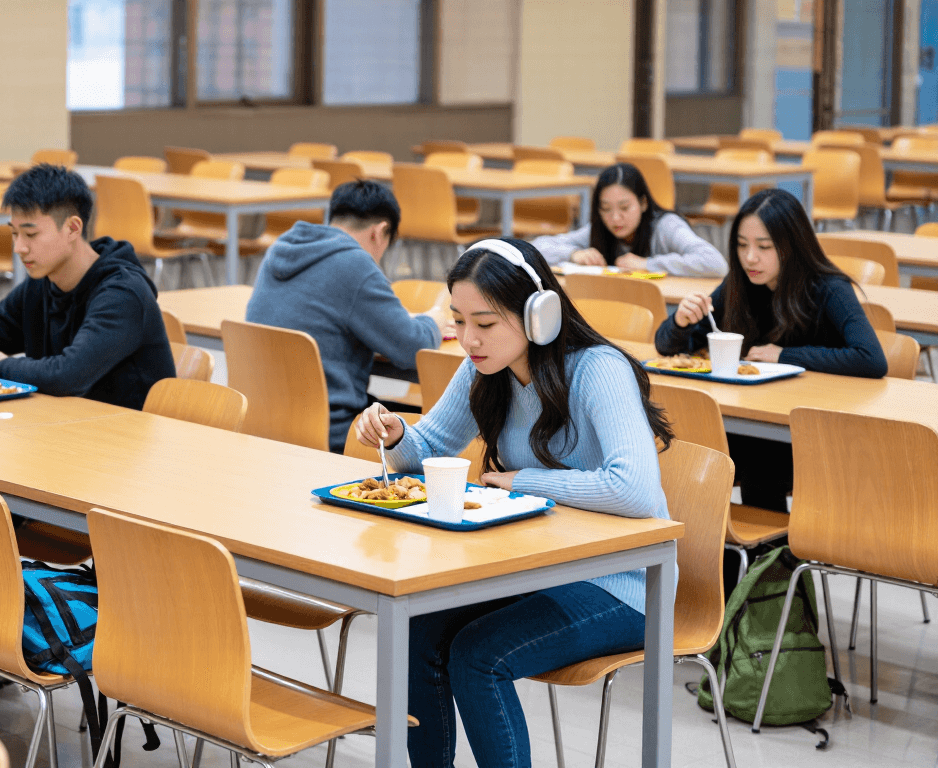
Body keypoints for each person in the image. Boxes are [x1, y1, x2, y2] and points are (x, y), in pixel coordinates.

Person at [352, 238, 675, 768]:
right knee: (417, 630)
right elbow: (430, 445)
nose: (468, 339)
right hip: (540, 568)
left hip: (627, 584)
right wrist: (396, 434)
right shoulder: (485, 366)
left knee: (479, 656)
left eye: (485, 323)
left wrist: (525, 482)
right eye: (459, 321)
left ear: (537, 314)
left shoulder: (598, 369)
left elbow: (634, 489)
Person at [655, 188, 886, 512]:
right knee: (685, 446)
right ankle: (713, 540)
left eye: (764, 247)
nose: (750, 257)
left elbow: (871, 359)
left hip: (818, 432)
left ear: (792, 245)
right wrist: (679, 322)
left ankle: (768, 545)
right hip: (756, 420)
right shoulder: (741, 283)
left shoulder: (829, 288)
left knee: (759, 464)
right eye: (742, 245)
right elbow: (668, 347)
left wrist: (784, 356)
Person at [0, 164, 175, 409]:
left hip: (127, 435)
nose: (19, 248)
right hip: (65, 423)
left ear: (72, 228)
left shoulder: (123, 293)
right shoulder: (41, 284)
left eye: (31, 234)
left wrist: (0, 366)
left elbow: (68, 376)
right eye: (14, 233)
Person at [245, 180, 449, 452]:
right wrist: (434, 319)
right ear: (380, 232)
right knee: (435, 428)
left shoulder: (280, 248)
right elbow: (413, 347)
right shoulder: (355, 264)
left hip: (263, 422)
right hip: (333, 430)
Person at [532, 162, 727, 278]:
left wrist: (647, 265)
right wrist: (574, 254)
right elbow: (535, 248)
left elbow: (715, 263)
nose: (615, 218)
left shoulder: (666, 226)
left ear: (643, 203)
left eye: (625, 207)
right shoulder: (600, 229)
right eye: (606, 209)